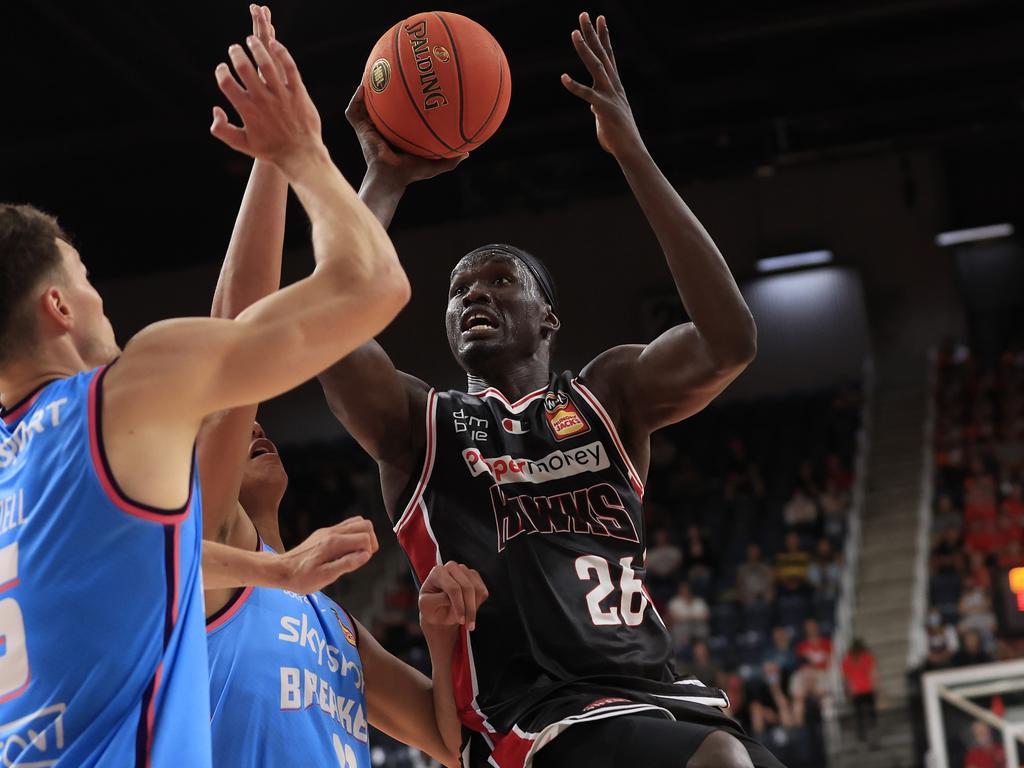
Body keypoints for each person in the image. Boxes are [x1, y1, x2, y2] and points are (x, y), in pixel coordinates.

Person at [319, 12, 779, 768]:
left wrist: (633, 155)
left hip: (658, 695)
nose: (473, 293)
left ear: (548, 321)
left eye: (499, 279)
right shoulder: (422, 425)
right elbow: (326, 331)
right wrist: (382, 179)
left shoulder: (609, 394)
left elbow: (732, 341)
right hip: (529, 722)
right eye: (459, 287)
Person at [0, 25, 408, 768]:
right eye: (85, 276)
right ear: (58, 306)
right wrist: (303, 154)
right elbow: (372, 285)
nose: (99, 298)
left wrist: (273, 572)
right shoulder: (112, 403)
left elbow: (132, 557)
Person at [196, 9, 489, 767]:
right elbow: (235, 348)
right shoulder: (213, 553)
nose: (259, 428)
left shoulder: (329, 619)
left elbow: (445, 740)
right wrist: (277, 158)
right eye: (241, 427)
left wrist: (437, 634)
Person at [841, 639, 876, 745]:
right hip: (866, 689)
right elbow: (873, 673)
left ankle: (864, 734)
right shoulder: (866, 656)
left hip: (857, 690)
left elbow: (846, 679)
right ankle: (870, 732)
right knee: (869, 714)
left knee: (860, 714)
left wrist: (848, 690)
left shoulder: (849, 659)